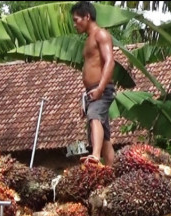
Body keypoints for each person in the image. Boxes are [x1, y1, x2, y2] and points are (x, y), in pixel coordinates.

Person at [72, 0, 116, 166]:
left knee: (94, 116)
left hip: (101, 88)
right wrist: (86, 96)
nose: (75, 24)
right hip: (92, 90)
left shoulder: (101, 35)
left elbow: (110, 62)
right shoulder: (88, 39)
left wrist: (100, 88)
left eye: (76, 20)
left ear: (87, 17)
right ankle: (112, 172)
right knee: (104, 136)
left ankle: (95, 156)